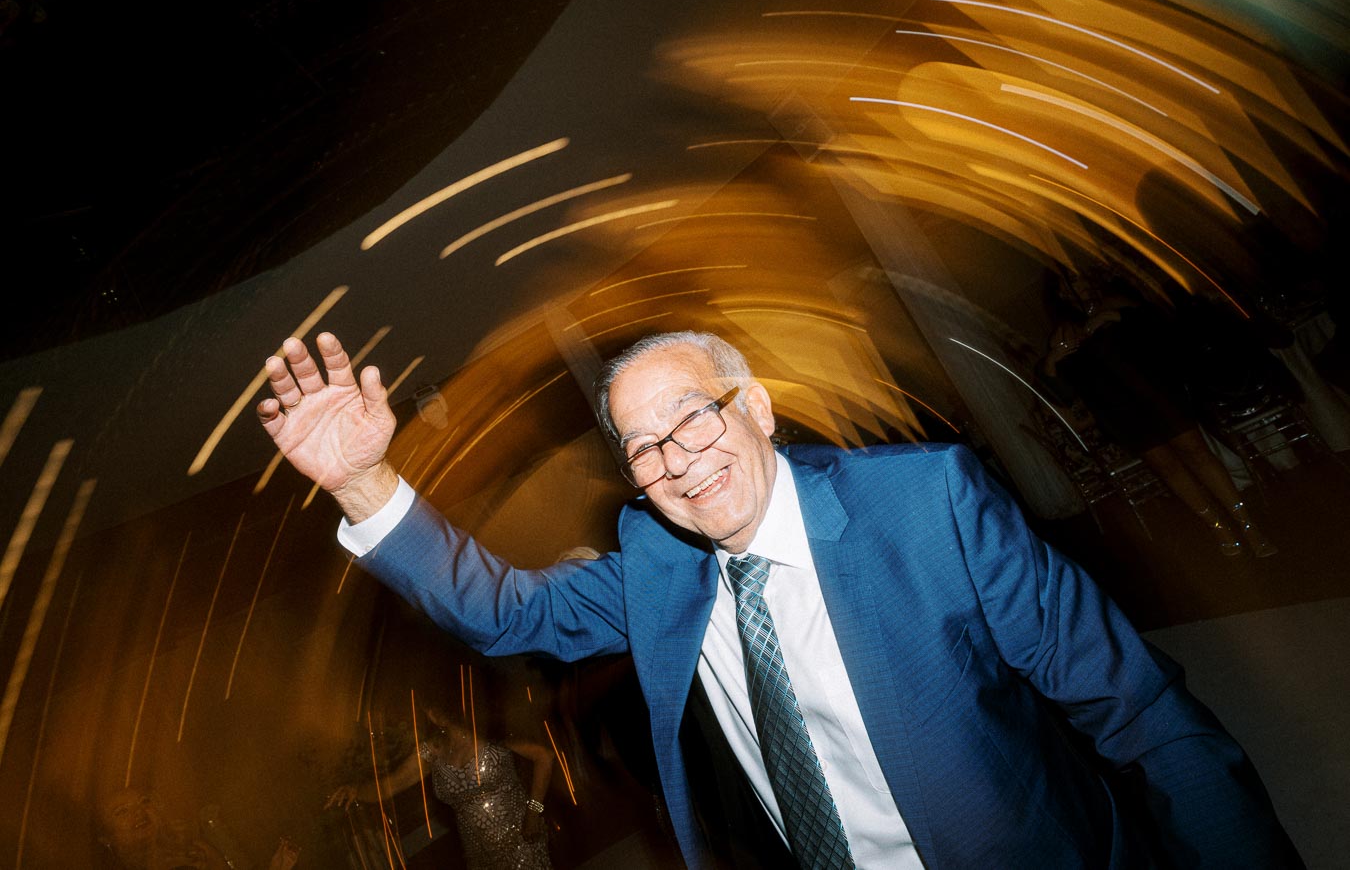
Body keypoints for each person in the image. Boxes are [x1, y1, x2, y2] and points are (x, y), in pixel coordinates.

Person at [258, 330, 1300, 869]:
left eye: (693, 419)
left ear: (755, 407)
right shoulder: (658, 563)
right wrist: (362, 483)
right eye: (643, 446)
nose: (677, 460)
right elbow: (506, 614)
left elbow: (1145, 715)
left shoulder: (925, 503)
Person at [1043, 279, 1278, 557]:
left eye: (1079, 277)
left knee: (1198, 454)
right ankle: (1219, 527)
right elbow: (1066, 390)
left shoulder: (1116, 302)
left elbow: (1161, 328)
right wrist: (1052, 362)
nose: (1079, 284)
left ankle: (1247, 524)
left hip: (1158, 392)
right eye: (1069, 282)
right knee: (1169, 469)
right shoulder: (1064, 329)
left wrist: (1112, 316)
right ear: (1059, 292)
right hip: (1119, 410)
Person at [326, 705, 553, 870]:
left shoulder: (489, 734)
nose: (430, 714)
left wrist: (533, 813)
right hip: (479, 856)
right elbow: (389, 786)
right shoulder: (432, 752)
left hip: (521, 845)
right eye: (428, 711)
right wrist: (355, 789)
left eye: (433, 708)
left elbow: (544, 756)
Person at [97, 786, 300, 870]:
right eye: (121, 811)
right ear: (106, 838)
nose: (139, 812)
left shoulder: (193, 850)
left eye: (144, 802)